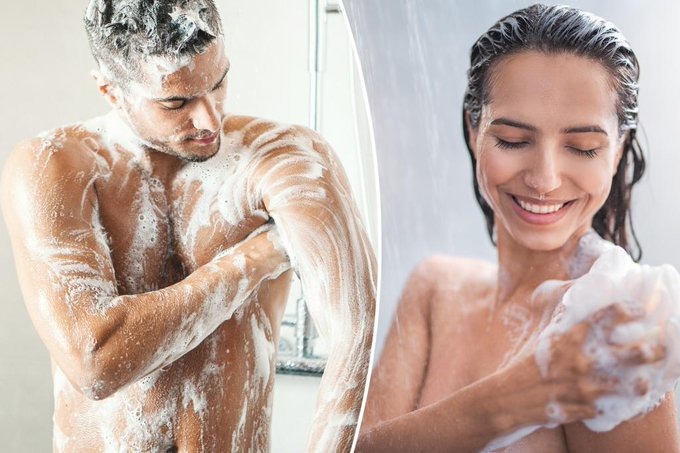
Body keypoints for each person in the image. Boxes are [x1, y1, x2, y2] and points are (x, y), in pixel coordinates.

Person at [0, 0, 376, 451]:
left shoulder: (282, 156)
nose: (210, 119)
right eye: (176, 102)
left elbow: (363, 337)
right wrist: (255, 258)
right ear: (111, 92)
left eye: (219, 84)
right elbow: (94, 362)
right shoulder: (52, 166)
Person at [357, 4, 680, 452]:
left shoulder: (613, 333)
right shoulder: (434, 289)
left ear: (619, 147)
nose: (545, 179)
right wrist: (524, 395)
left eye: (583, 147)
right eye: (513, 140)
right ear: (474, 130)